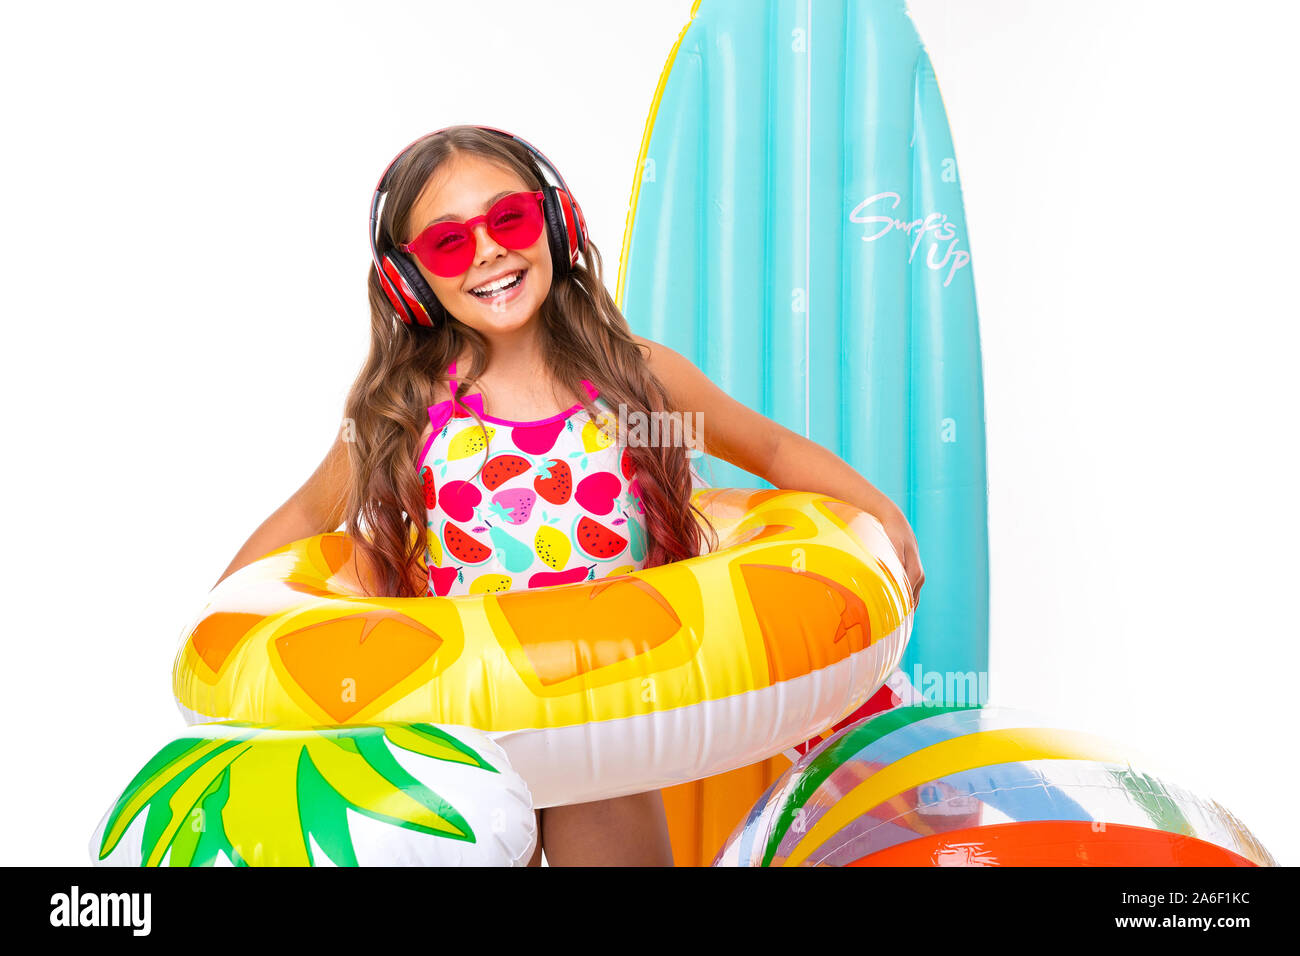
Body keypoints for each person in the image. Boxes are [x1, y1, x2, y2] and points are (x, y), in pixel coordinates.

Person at [213, 125, 925, 866]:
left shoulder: (636, 377)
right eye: (450, 243)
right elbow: (306, 515)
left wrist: (882, 514)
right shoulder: (407, 405)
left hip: (605, 734)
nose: (488, 251)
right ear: (411, 278)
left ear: (557, 223)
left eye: (510, 220)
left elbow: (769, 448)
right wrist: (229, 621)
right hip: (470, 745)